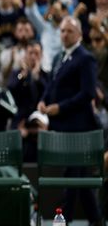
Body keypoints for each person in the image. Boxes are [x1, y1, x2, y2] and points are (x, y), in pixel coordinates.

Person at [37, 16, 102, 225]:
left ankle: (63, 220)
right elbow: (51, 84)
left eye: (69, 31)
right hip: (64, 128)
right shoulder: (59, 57)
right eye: (62, 31)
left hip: (80, 129)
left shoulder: (85, 58)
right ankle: (96, 221)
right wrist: (43, 100)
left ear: (79, 34)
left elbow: (87, 93)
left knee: (72, 178)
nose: (64, 34)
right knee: (79, 180)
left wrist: (60, 107)